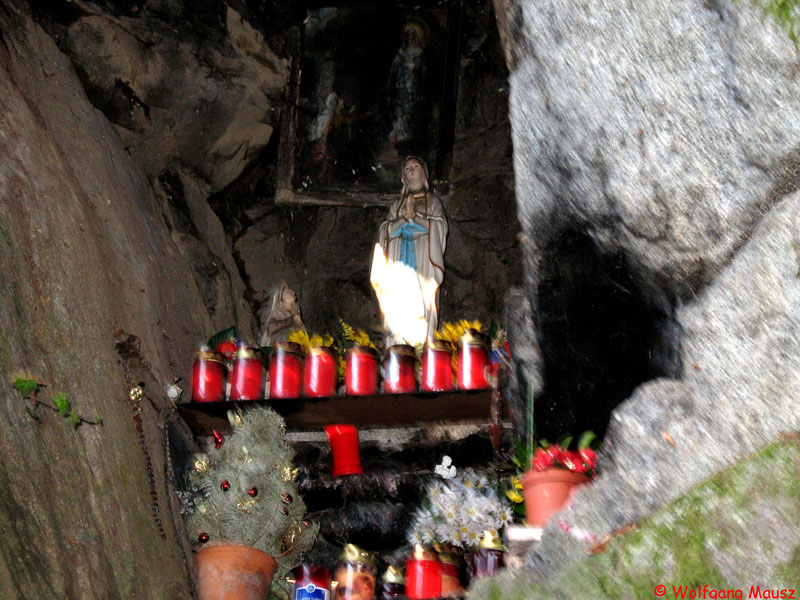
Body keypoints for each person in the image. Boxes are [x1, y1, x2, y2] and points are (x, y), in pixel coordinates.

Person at [371, 156, 447, 346]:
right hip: (399, 263)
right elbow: (385, 233)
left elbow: (439, 228)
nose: (411, 171)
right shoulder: (397, 206)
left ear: (424, 173)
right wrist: (405, 219)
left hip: (422, 263)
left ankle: (422, 351)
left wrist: (417, 219)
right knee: (398, 307)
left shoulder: (434, 203)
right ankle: (396, 349)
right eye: (407, 168)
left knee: (422, 305)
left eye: (415, 167)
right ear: (403, 177)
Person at [259, 281, 304, 346]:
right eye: (288, 291)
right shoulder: (278, 312)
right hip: (281, 347)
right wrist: (291, 320)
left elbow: (303, 332)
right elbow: (270, 328)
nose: (293, 292)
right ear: (282, 296)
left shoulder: (296, 313)